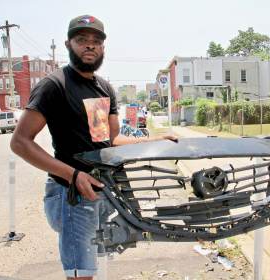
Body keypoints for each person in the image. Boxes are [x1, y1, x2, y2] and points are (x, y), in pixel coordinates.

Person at [10, 15, 177, 280]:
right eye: (82, 40)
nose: (90, 45)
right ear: (68, 44)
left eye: (96, 41)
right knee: (81, 275)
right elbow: (20, 142)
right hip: (71, 194)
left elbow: (111, 141)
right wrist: (73, 175)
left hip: (103, 190)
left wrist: (154, 140)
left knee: (97, 265)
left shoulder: (104, 88)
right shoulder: (54, 85)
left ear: (103, 47)